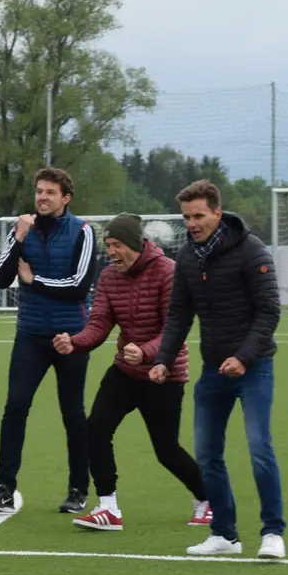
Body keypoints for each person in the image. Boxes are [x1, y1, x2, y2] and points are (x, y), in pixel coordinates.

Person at [150, 180, 285, 559]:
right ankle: (224, 534)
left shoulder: (251, 250)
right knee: (207, 454)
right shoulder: (188, 258)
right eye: (186, 217)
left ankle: (272, 532)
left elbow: (269, 311)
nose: (192, 223)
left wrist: (243, 357)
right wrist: (162, 359)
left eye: (198, 216)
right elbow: (178, 315)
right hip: (213, 372)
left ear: (217, 214)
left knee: (260, 448)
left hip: (253, 367)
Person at [54, 214, 210, 531]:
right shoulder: (110, 277)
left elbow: (174, 329)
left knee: (166, 451)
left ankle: (208, 500)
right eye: (108, 245)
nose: (111, 252)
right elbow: (99, 323)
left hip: (164, 373)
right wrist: (76, 342)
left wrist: (147, 352)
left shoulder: (168, 272)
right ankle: (108, 507)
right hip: (125, 371)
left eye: (117, 245)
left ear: (135, 245)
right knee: (95, 429)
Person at [0, 167, 100, 515]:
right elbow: (2, 279)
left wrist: (34, 280)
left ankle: (78, 488)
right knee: (15, 407)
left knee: (73, 413)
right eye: (39, 191)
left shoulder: (83, 230)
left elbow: (79, 285)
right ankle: (4, 489)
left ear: (66, 198)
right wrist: (18, 238)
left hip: (71, 335)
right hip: (30, 334)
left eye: (50, 192)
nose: (42, 197)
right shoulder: (22, 231)